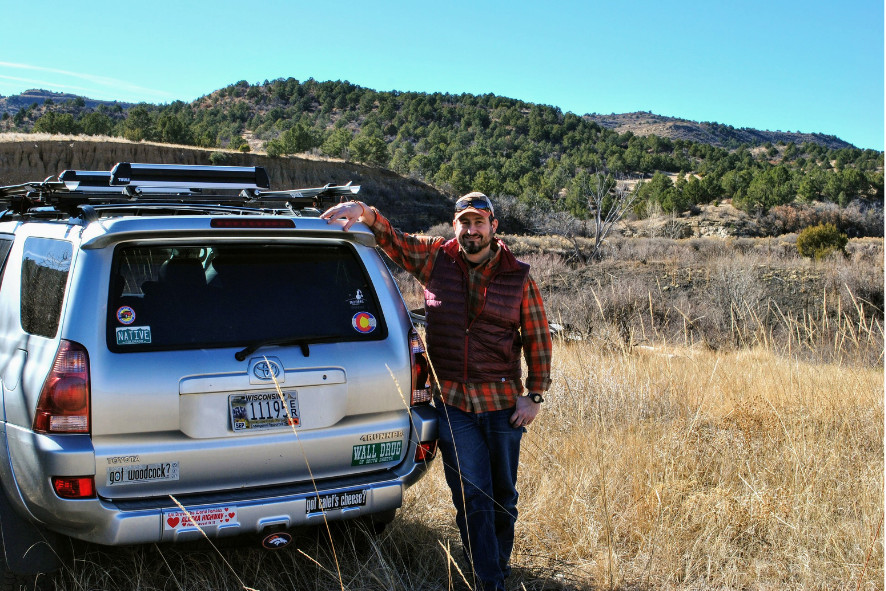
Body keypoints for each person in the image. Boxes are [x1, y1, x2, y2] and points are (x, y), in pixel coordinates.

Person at [322, 192, 552, 591]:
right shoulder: (436, 258)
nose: (471, 230)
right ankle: (489, 581)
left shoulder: (517, 276)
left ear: (494, 227)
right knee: (472, 494)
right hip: (453, 404)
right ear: (455, 225)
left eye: (479, 222)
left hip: (502, 404)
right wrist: (365, 213)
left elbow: (538, 338)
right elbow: (394, 240)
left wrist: (533, 395)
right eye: (465, 222)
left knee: (503, 496)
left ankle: (495, 564)